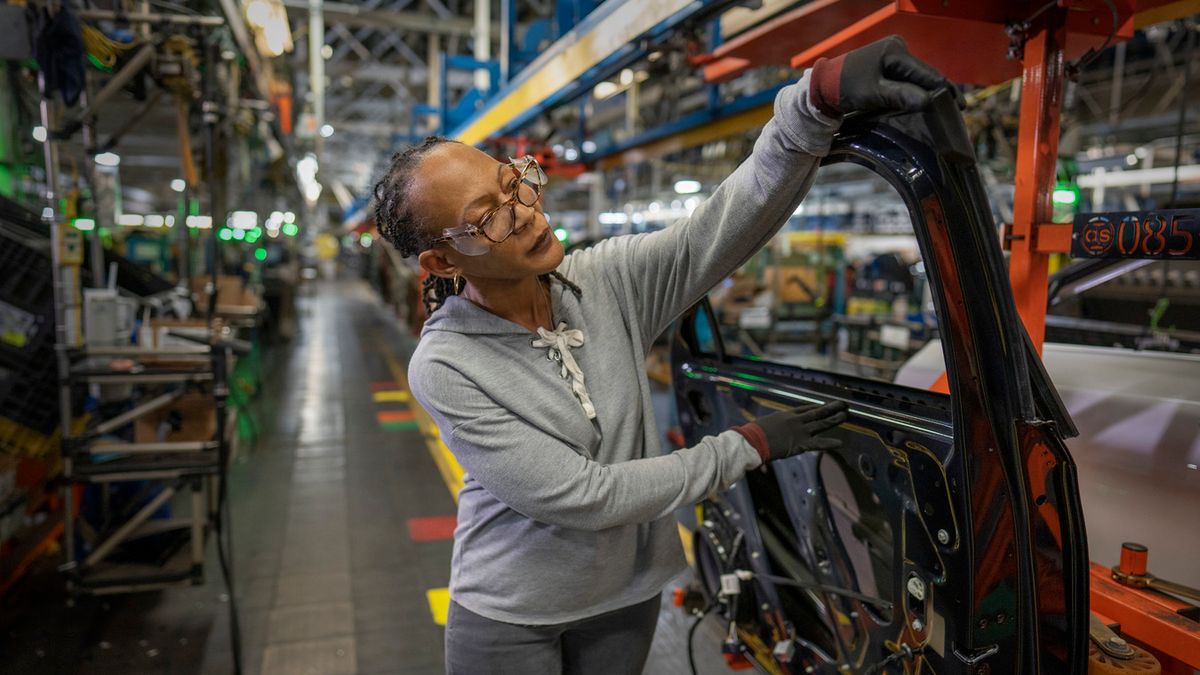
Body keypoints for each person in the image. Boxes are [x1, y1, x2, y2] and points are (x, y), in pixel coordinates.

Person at [373, 35, 949, 675]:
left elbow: (722, 226)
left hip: (627, 594)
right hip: (513, 612)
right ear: (442, 260)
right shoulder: (446, 365)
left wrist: (813, 101)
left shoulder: (606, 282)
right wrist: (745, 446)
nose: (529, 215)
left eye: (516, 185)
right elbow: (585, 497)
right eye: (490, 217)